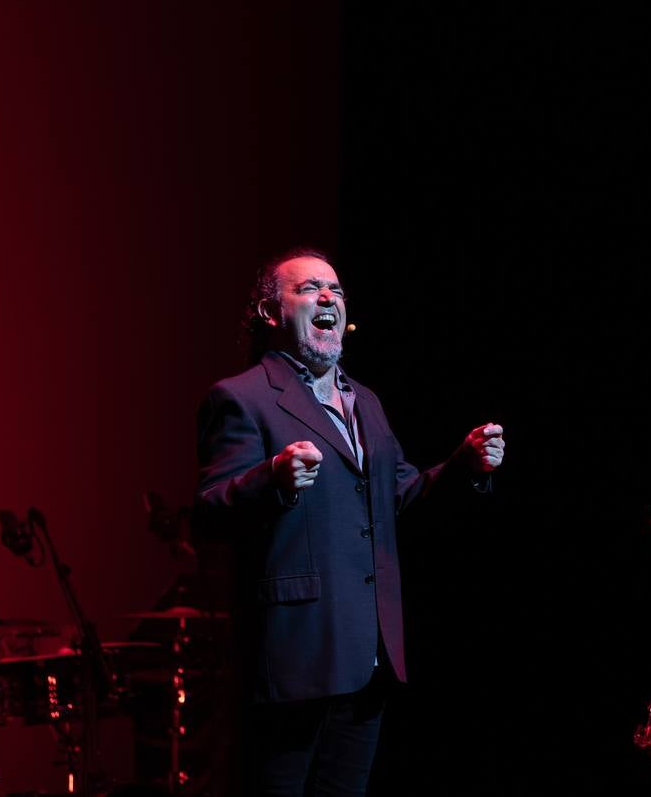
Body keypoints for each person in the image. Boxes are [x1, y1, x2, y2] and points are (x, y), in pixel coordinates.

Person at [195, 247, 504, 796]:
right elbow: (211, 510)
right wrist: (272, 477)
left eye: (335, 290)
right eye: (308, 288)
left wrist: (462, 466)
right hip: (296, 660)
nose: (327, 298)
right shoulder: (241, 398)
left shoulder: (366, 401)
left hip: (369, 657)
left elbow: (401, 495)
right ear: (271, 313)